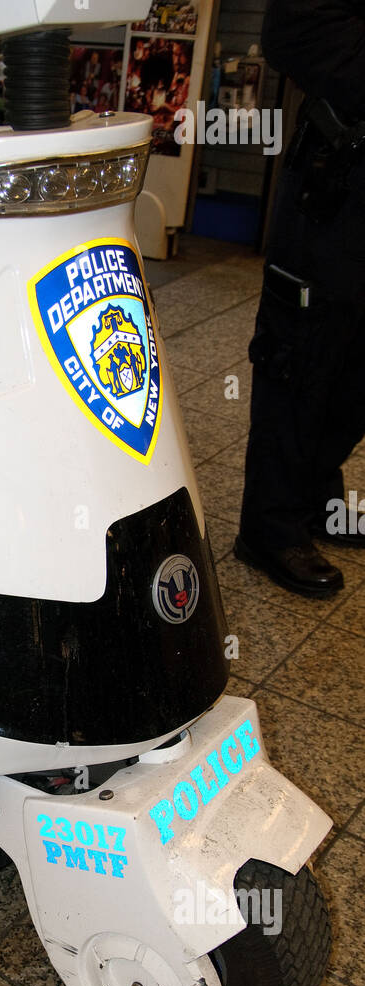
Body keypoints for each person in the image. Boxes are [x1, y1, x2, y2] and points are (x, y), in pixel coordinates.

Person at [236, 0, 365, 598]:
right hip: (340, 178)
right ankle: (270, 524)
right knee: (302, 352)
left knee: (356, 363)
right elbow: (295, 30)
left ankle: (314, 496)